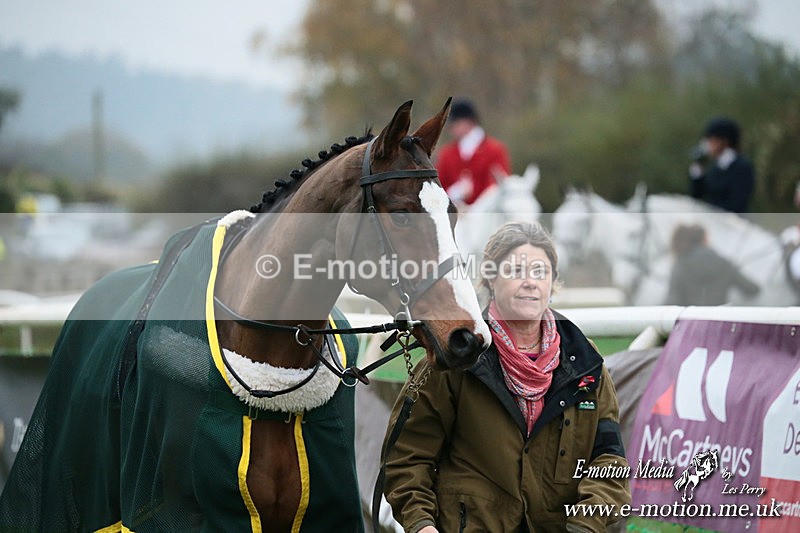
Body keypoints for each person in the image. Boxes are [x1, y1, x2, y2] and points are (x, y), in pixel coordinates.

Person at [382, 221, 630, 532]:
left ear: (553, 282)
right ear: (490, 278)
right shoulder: (457, 354)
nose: (530, 282)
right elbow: (406, 460)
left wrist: (585, 525)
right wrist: (421, 525)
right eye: (515, 271)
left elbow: (608, 459)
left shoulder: (585, 362)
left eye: (540, 272)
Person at [435, 98, 511, 205]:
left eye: (454, 123)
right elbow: (439, 187)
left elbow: (500, 187)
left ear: (468, 122)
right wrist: (456, 192)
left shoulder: (496, 150)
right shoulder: (446, 153)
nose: (450, 128)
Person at [665, 223, 760, 306]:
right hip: (717, 324)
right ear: (704, 240)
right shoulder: (724, 264)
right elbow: (753, 289)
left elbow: (672, 302)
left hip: (690, 325)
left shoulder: (680, 266)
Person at [689, 116, 755, 214]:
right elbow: (698, 195)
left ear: (724, 141)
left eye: (711, 140)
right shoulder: (716, 167)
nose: (708, 144)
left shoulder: (742, 167)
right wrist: (697, 171)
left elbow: (737, 204)